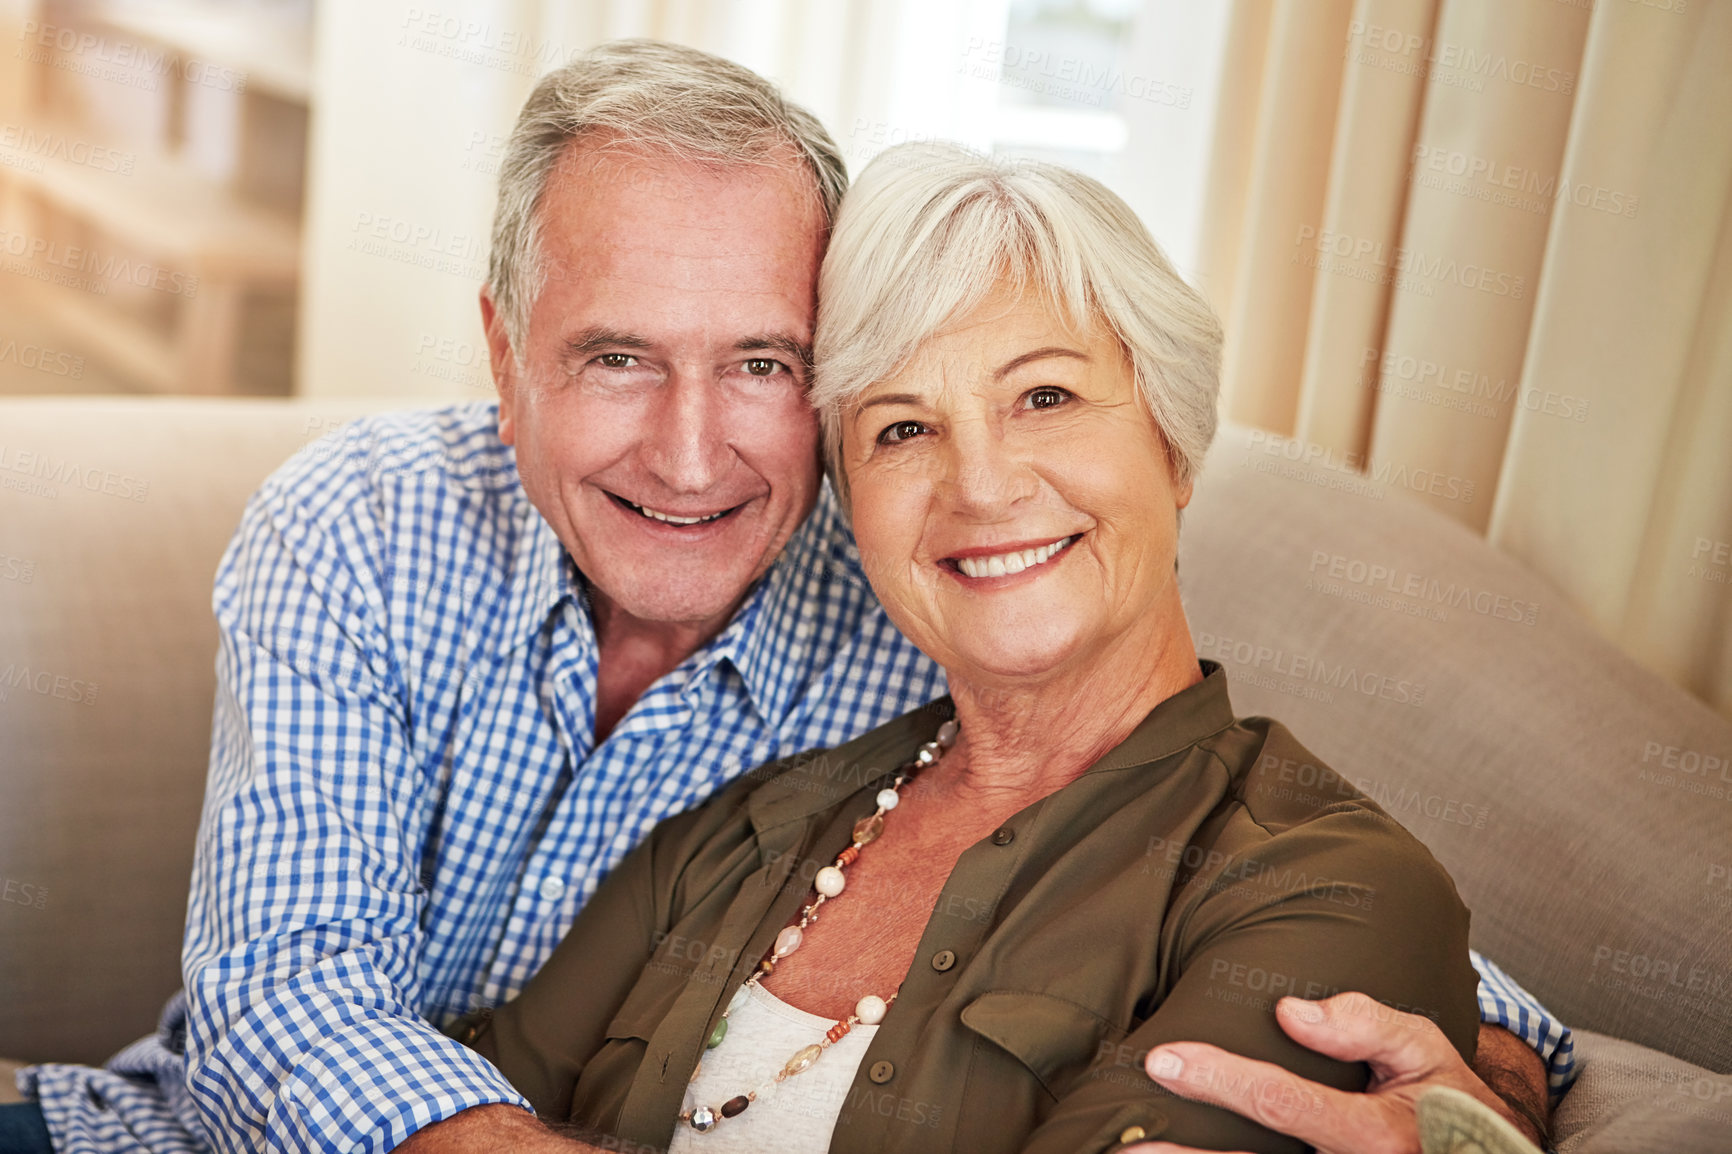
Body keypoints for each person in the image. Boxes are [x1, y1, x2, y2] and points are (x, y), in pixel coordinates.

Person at [6, 42, 1567, 1154]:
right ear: (502, 351)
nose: (691, 453)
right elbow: (282, 1003)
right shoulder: (364, 532)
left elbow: (1281, 878)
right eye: (618, 356)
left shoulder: (917, 586)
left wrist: (1473, 1089)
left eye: (761, 364)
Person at [435, 140, 1537, 1153]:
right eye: (901, 428)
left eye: (1045, 395)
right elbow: (469, 1113)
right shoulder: (730, 834)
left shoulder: (1326, 884)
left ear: (1174, 443)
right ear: (850, 503)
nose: (981, 484)